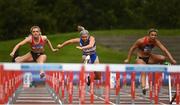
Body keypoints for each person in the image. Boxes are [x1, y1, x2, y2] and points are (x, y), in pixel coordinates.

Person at [124, 28, 176, 95]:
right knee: (144, 70)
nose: (153, 36)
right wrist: (128, 59)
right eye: (152, 35)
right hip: (140, 59)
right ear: (148, 35)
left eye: (155, 35)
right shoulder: (141, 41)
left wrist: (172, 60)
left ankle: (163, 64)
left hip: (149, 58)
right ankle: (144, 87)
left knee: (162, 58)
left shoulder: (156, 41)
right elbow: (132, 48)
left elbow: (165, 50)